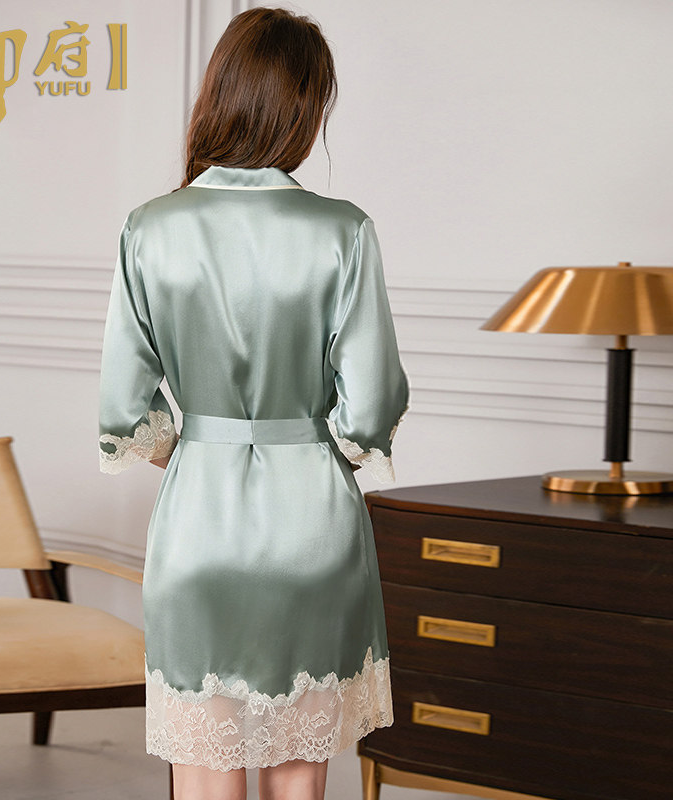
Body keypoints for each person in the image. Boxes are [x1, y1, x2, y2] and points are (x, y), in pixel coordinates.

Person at [98, 7, 410, 800]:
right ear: (304, 107)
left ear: (221, 95)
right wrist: (313, 450)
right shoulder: (342, 231)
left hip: (198, 523)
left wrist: (200, 451)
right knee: (298, 773)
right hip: (312, 528)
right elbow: (371, 407)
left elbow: (124, 406)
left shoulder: (149, 228)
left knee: (203, 768)